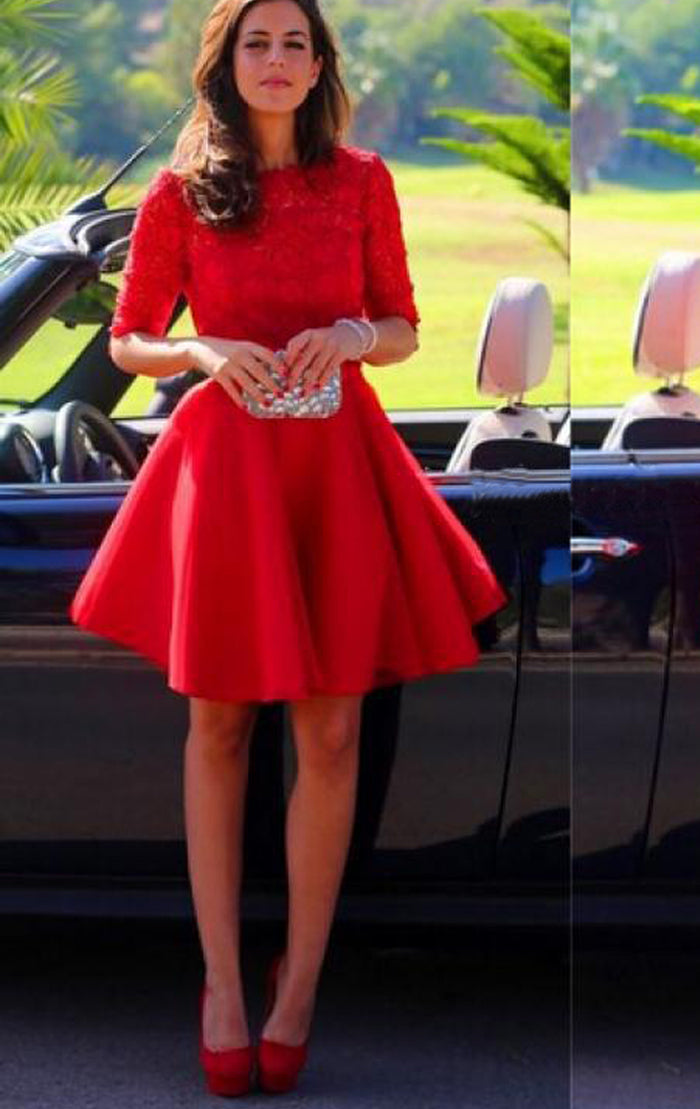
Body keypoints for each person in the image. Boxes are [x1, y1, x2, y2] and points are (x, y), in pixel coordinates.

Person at [68, 0, 509, 1096]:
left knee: (331, 727)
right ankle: (222, 981)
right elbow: (129, 338)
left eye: (295, 43)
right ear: (226, 66)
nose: (277, 59)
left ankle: (299, 982)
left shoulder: (361, 180)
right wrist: (202, 347)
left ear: (319, 67)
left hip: (334, 469)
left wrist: (354, 334)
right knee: (216, 722)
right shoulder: (181, 192)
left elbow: (402, 324)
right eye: (257, 42)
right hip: (225, 471)